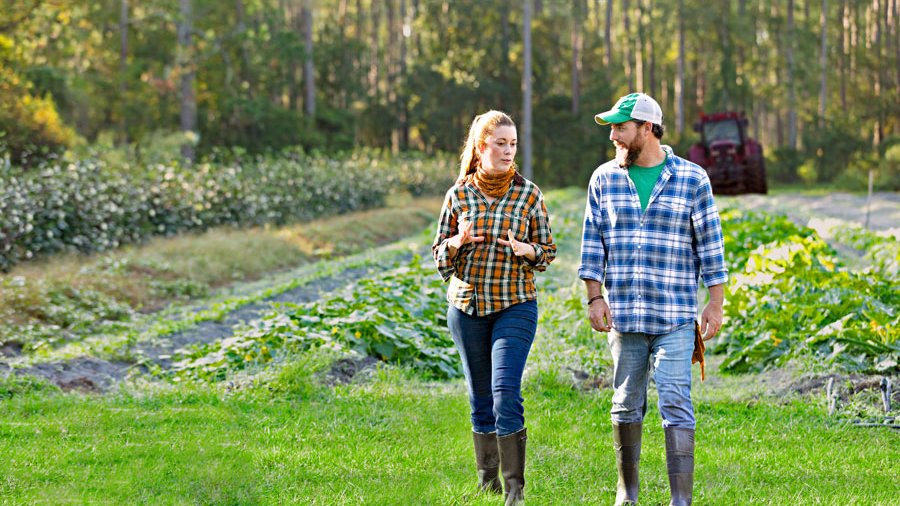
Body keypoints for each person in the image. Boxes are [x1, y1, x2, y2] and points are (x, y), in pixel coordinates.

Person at [578, 93, 728, 506]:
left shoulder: (692, 179)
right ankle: (627, 491)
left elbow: (710, 245)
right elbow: (592, 244)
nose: (613, 136)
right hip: (624, 317)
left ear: (647, 128)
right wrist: (594, 297)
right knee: (626, 404)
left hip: (674, 316)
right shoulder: (604, 179)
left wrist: (715, 303)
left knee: (676, 401)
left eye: (620, 128)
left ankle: (680, 499)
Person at [432, 110, 556, 505]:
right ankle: (488, 485)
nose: (508, 151)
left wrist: (527, 250)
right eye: (500, 143)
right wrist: (456, 243)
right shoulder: (458, 195)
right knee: (480, 397)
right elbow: (439, 256)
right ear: (481, 146)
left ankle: (515, 492)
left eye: (513, 144)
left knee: (505, 392)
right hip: (466, 307)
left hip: (515, 304)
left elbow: (547, 250)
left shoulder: (528, 194)